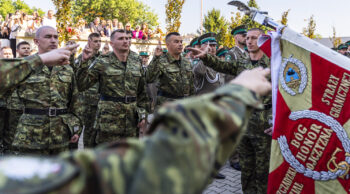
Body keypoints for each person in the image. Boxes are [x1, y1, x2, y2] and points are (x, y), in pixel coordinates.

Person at [0, 57, 271, 194]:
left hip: (131, 116)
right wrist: (237, 95)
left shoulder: (15, 178)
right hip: (109, 116)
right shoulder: (19, 177)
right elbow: (150, 168)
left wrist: (73, 123)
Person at [189, 28, 272, 194]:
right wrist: (205, 56)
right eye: (247, 38)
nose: (249, 41)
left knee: (263, 171)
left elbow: (283, 94)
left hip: (264, 124)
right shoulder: (241, 62)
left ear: (263, 40)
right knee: (246, 170)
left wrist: (277, 120)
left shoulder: (272, 63)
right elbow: (222, 65)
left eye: (254, 38)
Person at [11, 26, 82, 155]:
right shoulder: (25, 66)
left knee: (59, 173)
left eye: (56, 37)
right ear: (36, 41)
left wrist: (75, 128)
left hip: (59, 135)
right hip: (30, 135)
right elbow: (11, 103)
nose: (53, 40)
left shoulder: (66, 68)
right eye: (48, 37)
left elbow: (75, 102)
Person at [76, 29, 149, 145]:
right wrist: (84, 62)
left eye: (127, 38)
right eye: (121, 39)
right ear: (112, 44)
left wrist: (143, 114)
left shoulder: (136, 61)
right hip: (109, 121)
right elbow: (81, 85)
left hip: (131, 119)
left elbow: (142, 93)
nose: (125, 41)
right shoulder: (102, 61)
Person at [192, 32, 226, 180]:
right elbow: (198, 71)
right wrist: (203, 54)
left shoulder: (218, 64)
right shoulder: (199, 64)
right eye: (209, 45)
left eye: (214, 45)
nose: (212, 48)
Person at [146, 33, 194, 111]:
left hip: (184, 106)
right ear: (167, 44)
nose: (180, 44)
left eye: (181, 42)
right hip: (166, 107)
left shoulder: (186, 62)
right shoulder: (161, 61)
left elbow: (191, 86)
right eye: (176, 42)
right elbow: (149, 78)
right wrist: (156, 58)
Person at [3, 42, 31, 154]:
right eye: (23, 48)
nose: (26, 50)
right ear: (18, 51)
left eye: (28, 48)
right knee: (11, 135)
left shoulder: (35, 65)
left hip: (30, 106)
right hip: (14, 105)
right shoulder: (14, 65)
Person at [75, 33, 102, 148]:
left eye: (99, 41)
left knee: (91, 136)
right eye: (95, 41)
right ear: (89, 41)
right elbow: (76, 76)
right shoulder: (82, 58)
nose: (98, 44)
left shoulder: (102, 58)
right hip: (82, 102)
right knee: (75, 133)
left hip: (96, 103)